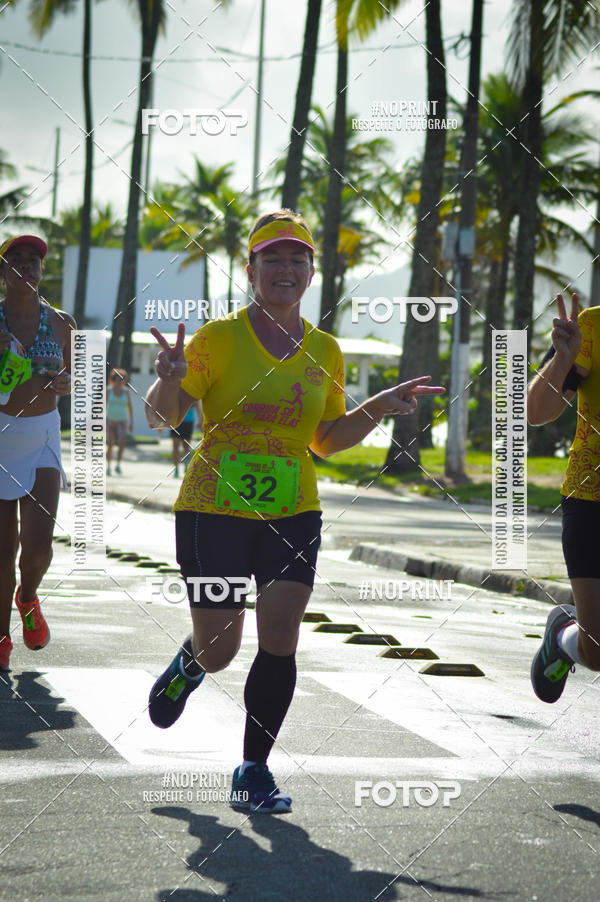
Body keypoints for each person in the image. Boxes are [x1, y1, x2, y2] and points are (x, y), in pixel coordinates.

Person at [144, 209, 444, 812]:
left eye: (297, 258)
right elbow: (161, 416)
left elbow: (326, 440)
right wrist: (168, 380)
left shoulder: (326, 350)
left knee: (280, 635)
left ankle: (254, 768)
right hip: (214, 510)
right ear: (250, 269)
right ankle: (191, 663)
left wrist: (379, 406)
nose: (286, 268)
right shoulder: (217, 339)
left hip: (293, 510)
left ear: (313, 271)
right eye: (272, 258)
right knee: (221, 646)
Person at [0, 235, 75, 670]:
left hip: (43, 435)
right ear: (4, 272)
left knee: (39, 546)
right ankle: (1, 638)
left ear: (42, 271)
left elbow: (80, 378)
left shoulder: (63, 322)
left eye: (34, 261)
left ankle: (28, 599)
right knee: (1, 552)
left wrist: (68, 383)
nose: (26, 266)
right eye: (16, 260)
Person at [527, 292, 600, 702]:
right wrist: (563, 358)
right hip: (592, 498)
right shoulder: (592, 326)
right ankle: (563, 632)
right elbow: (536, 412)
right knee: (598, 651)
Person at [106, 367, 133, 476]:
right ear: (114, 379)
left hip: (122, 420)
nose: (120, 381)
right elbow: (101, 405)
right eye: (118, 379)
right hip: (110, 420)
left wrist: (131, 422)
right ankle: (108, 466)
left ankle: (118, 464)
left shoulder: (126, 392)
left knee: (122, 442)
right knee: (111, 443)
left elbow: (130, 407)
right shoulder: (108, 390)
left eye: (122, 379)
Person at [170, 401, 202, 477]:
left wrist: (200, 420)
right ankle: (177, 468)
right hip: (176, 420)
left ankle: (185, 466)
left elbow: (197, 404)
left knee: (185, 447)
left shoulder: (192, 390)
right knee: (176, 447)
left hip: (186, 420)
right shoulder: (176, 390)